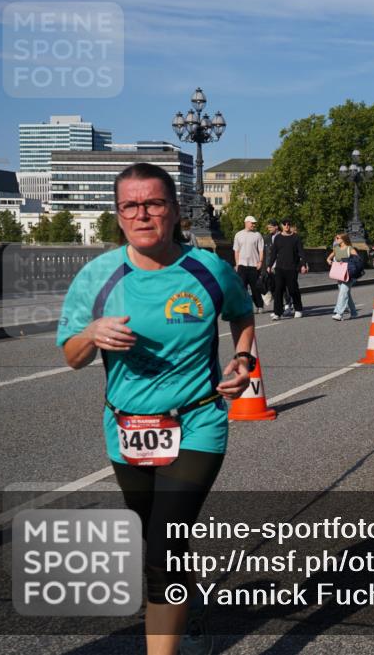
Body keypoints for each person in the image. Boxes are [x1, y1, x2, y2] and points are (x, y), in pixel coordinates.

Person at [57, 163, 255, 655]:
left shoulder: (208, 270)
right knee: (155, 539)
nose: (142, 214)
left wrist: (243, 360)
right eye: (131, 206)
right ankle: (181, 615)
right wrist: (91, 334)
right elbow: (72, 357)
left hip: (197, 420)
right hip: (127, 427)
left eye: (154, 203)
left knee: (165, 543)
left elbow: (243, 315)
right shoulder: (97, 276)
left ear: (174, 211)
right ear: (118, 215)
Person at [268, 218, 307, 320]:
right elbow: (273, 253)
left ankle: (298, 309)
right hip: (280, 268)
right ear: (281, 225)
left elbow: (301, 253)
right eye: (284, 224)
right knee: (278, 290)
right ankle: (277, 312)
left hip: (292, 268)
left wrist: (303, 264)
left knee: (293, 289)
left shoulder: (296, 238)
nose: (286, 226)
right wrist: (269, 265)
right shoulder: (278, 238)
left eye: (288, 224)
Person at [233, 215, 266, 313]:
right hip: (242, 265)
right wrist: (237, 264)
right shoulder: (238, 235)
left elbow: (261, 250)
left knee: (255, 288)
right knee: (242, 288)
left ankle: (260, 305)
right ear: (246, 223)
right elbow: (236, 251)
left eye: (254, 223)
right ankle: (244, 306)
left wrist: (260, 261)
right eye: (252, 223)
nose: (254, 225)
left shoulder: (257, 235)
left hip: (254, 265)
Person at [326, 232, 359, 321]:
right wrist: (329, 261)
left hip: (349, 275)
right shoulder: (336, 248)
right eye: (336, 238)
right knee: (346, 294)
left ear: (343, 239)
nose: (336, 239)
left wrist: (346, 262)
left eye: (337, 238)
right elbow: (328, 258)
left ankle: (339, 313)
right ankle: (354, 313)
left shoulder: (349, 249)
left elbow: (357, 260)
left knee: (343, 293)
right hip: (339, 274)